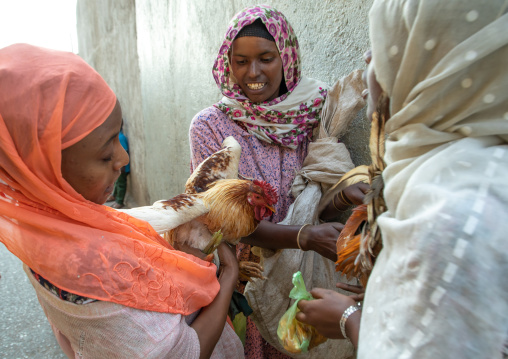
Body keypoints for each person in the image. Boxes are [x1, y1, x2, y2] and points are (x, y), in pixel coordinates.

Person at [0, 44, 244, 359]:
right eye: (104, 155)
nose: (123, 158)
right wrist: (228, 279)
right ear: (42, 170)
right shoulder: (90, 276)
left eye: (119, 136)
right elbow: (184, 352)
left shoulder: (43, 230)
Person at [296, 0, 508, 357]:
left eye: (382, 48)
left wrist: (349, 320)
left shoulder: (451, 215)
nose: (367, 58)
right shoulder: (459, 167)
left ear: (433, 68)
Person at [189, 5, 364, 358]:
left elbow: (312, 204)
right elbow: (224, 221)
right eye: (240, 61)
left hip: (305, 275)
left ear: (287, 58)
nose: (252, 72)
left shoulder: (312, 113)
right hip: (246, 279)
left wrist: (342, 199)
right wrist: (304, 237)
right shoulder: (209, 126)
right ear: (228, 62)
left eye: (266, 58)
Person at [110, 125, 130, 209]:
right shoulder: (116, 137)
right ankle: (115, 196)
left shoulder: (121, 138)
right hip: (118, 166)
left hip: (122, 167)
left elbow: (123, 152)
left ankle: (120, 201)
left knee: (121, 183)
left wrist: (121, 167)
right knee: (117, 182)